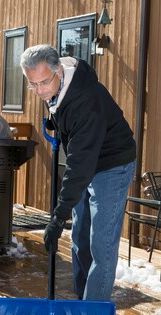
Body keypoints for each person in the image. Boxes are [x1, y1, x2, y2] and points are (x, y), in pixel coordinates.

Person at [20, 44, 136, 301]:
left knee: (100, 244)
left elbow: (79, 165)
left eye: (43, 83)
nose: (39, 90)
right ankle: (80, 300)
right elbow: (73, 140)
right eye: (33, 84)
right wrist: (56, 120)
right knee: (80, 236)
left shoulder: (86, 100)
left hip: (112, 164)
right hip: (88, 159)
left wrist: (58, 217)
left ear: (59, 71)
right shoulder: (58, 88)